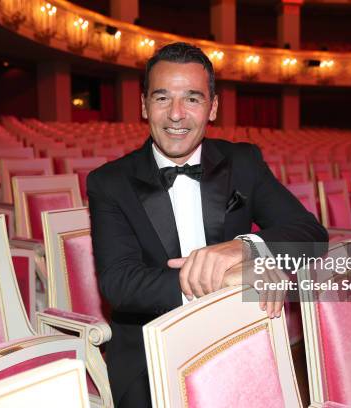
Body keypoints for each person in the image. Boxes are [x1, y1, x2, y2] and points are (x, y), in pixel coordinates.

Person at [87, 42, 328, 408]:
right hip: (149, 350)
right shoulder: (109, 182)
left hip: (238, 331)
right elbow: (119, 284)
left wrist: (243, 248)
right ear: (143, 105)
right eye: (163, 98)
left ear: (212, 107)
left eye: (193, 99)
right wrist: (223, 279)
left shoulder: (244, 162)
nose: (176, 115)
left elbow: (311, 235)